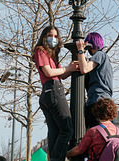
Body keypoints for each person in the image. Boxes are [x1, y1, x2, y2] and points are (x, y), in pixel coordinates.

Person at [33, 25, 79, 161]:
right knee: (67, 129)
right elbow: (49, 72)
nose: (53, 38)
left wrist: (71, 68)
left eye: (55, 36)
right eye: (50, 35)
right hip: (53, 91)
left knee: (54, 132)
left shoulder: (52, 55)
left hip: (48, 93)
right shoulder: (41, 51)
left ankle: (53, 157)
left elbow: (62, 74)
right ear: (43, 37)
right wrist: (68, 67)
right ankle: (58, 158)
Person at [76, 32, 113, 129]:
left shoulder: (100, 54)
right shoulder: (104, 59)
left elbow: (84, 69)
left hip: (98, 101)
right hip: (100, 100)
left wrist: (80, 50)